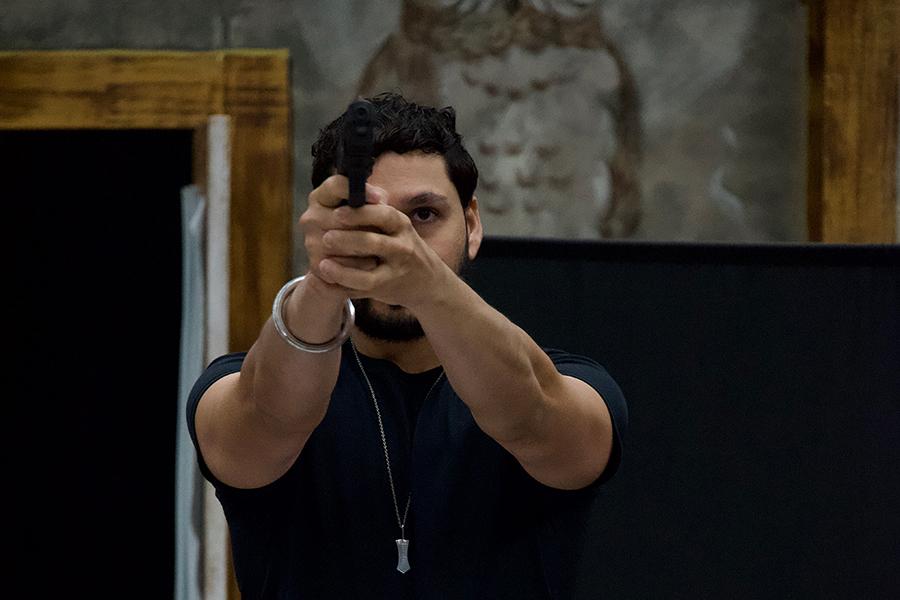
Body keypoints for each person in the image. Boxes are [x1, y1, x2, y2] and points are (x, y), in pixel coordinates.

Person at [187, 92, 627, 599]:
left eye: (423, 215)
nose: (392, 238)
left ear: (472, 224)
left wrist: (426, 284)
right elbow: (267, 420)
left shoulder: (573, 383)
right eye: (367, 216)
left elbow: (534, 417)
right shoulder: (238, 382)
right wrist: (326, 280)